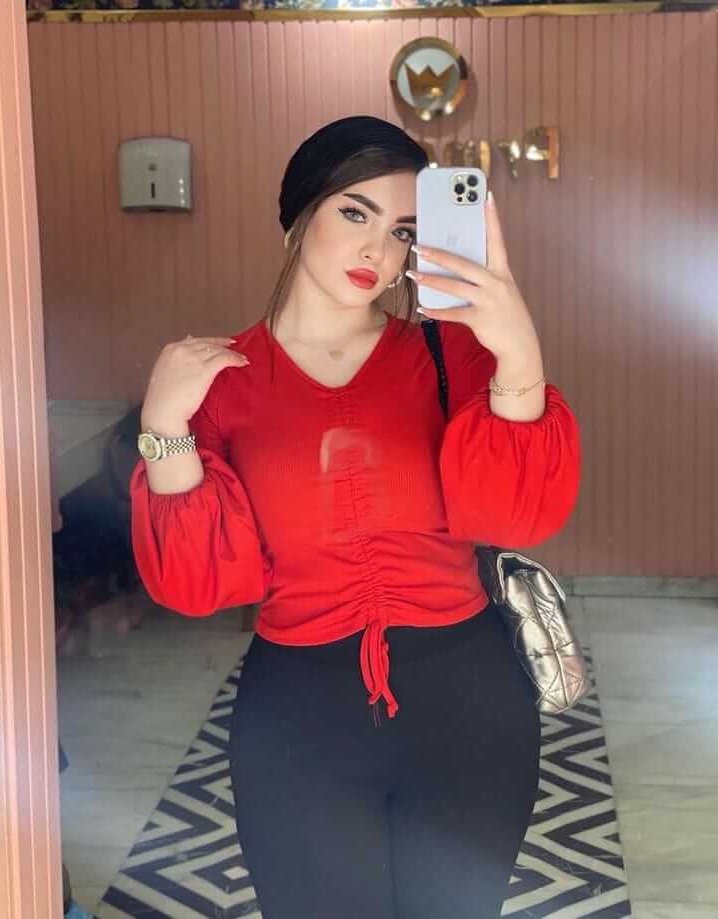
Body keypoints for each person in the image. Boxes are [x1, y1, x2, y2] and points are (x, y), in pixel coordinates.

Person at [129, 116, 581, 919]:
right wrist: (164, 422)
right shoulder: (219, 385)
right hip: (298, 721)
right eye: (355, 212)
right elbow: (200, 586)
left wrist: (519, 353)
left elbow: (517, 517)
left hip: (471, 709)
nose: (379, 249)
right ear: (299, 217)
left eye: (402, 230)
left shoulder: (455, 356)